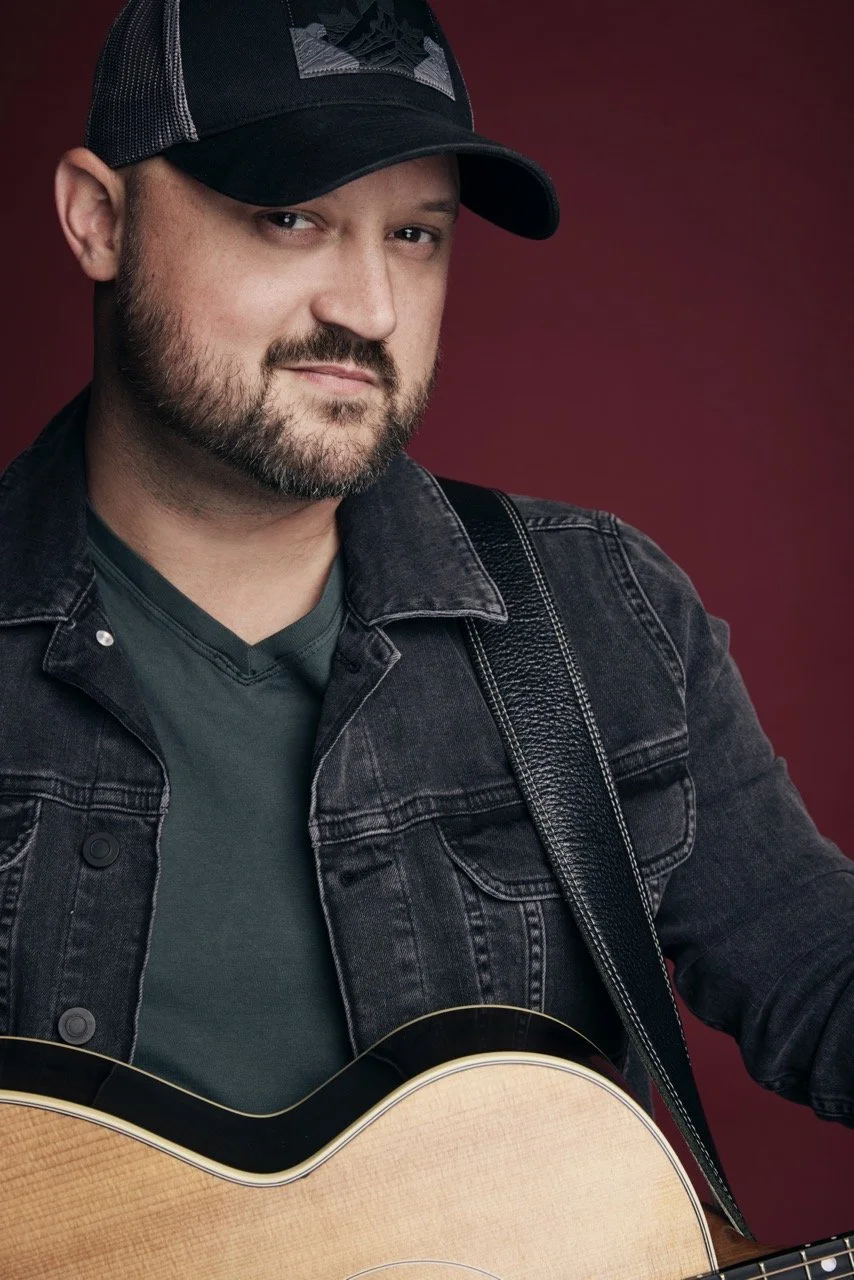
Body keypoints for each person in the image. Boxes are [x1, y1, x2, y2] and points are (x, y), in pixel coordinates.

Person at [1, 0, 852, 1158]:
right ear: (100, 219)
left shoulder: (598, 615)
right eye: (289, 217)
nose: (368, 310)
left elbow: (814, 964)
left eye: (414, 234)